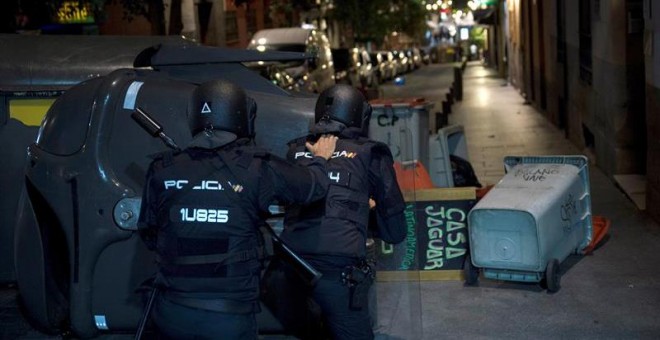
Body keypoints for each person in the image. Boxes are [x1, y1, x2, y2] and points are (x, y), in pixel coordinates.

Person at [137, 79, 338, 340]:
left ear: (194, 116)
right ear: (242, 115)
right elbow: (313, 188)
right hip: (228, 316)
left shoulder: (163, 169)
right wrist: (320, 158)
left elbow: (149, 234)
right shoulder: (257, 167)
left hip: (171, 313)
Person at [275, 84, 407, 340]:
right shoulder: (371, 154)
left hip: (290, 271)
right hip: (339, 274)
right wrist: (364, 213)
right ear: (360, 115)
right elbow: (395, 231)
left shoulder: (294, 151)